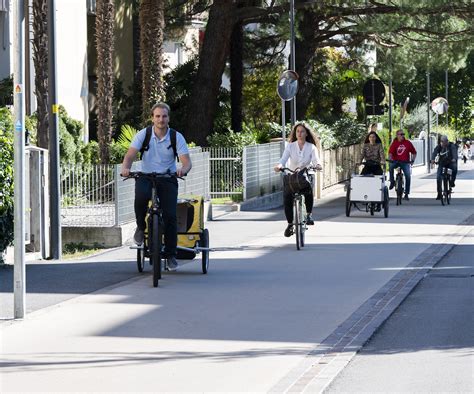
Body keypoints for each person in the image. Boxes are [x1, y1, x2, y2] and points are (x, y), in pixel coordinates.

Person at [121, 102, 192, 271]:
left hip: (167, 177)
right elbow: (130, 155)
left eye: (164, 116)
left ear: (168, 118)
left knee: (170, 216)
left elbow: (186, 162)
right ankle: (141, 226)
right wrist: (126, 168)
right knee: (140, 199)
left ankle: (171, 255)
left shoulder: (176, 137)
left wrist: (183, 170)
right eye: (158, 116)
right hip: (146, 176)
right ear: (152, 118)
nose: (161, 119)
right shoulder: (143, 134)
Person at [274, 122, 322, 237]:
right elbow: (283, 159)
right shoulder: (290, 146)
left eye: (302, 131)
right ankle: (290, 224)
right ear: (295, 133)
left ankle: (309, 214)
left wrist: (318, 165)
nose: (299, 134)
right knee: (287, 198)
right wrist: (279, 166)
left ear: (306, 134)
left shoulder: (311, 147)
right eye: (297, 131)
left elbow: (316, 160)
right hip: (293, 176)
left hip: (306, 174)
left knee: (309, 190)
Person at [388, 129, 417, 201]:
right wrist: (390, 159)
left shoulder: (407, 143)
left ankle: (406, 193)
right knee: (391, 167)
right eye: (401, 134)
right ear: (397, 135)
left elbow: (414, 152)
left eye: (403, 134)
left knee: (407, 175)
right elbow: (390, 153)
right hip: (396, 161)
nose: (403, 136)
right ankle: (392, 181)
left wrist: (412, 160)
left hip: (405, 162)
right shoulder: (394, 143)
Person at [430, 135, 458, 200]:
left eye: (444, 142)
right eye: (441, 142)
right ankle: (439, 193)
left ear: (447, 141)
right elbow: (434, 152)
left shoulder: (451, 146)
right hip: (442, 163)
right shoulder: (439, 146)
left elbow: (454, 153)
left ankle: (452, 181)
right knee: (438, 177)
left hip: (450, 162)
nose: (443, 143)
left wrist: (454, 159)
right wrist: (432, 159)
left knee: (454, 168)